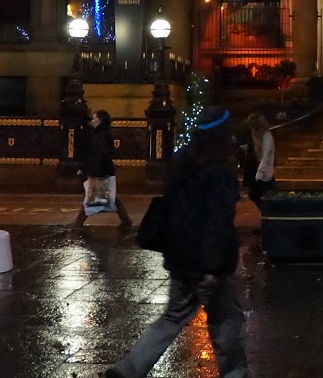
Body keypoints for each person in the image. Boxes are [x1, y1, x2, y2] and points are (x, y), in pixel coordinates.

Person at [104, 106, 248, 378]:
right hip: (207, 264)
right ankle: (234, 374)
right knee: (226, 319)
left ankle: (128, 369)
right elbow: (217, 223)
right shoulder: (219, 172)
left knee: (173, 316)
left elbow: (172, 207)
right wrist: (212, 268)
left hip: (180, 258)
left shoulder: (181, 160)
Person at [74, 109, 133, 231]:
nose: (92, 121)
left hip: (100, 171)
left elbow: (98, 155)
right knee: (104, 197)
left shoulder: (101, 136)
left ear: (100, 121)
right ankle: (126, 221)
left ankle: (78, 222)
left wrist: (93, 172)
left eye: (95, 118)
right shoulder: (98, 134)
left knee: (94, 196)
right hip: (102, 170)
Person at [246, 113, 275, 206]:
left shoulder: (266, 136)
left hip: (261, 166)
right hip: (256, 165)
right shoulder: (254, 134)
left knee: (262, 193)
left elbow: (265, 155)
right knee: (256, 194)